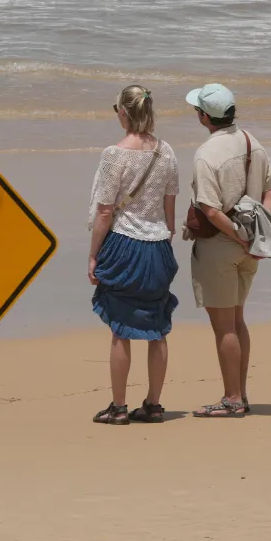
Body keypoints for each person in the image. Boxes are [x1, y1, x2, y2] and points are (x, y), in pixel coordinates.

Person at [88, 85, 180, 425]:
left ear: (124, 113)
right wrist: (166, 236)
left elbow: (104, 212)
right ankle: (154, 404)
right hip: (157, 246)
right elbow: (171, 202)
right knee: (158, 327)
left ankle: (119, 406)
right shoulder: (166, 151)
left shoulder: (114, 154)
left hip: (125, 245)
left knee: (120, 327)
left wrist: (93, 255)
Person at [182, 83, 271, 418]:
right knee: (237, 320)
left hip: (222, 246)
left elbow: (210, 210)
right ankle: (242, 394)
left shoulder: (207, 154)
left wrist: (238, 237)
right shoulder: (254, 143)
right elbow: (268, 193)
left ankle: (232, 398)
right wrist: (257, 238)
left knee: (224, 327)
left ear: (205, 116)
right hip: (250, 247)